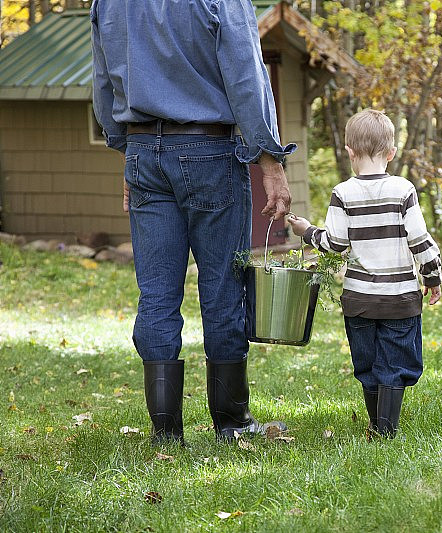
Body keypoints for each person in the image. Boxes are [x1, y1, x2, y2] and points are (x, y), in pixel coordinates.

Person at [91, 0, 296, 444]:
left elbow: (104, 78)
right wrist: (269, 158)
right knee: (222, 287)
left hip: (144, 153)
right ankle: (231, 423)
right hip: (208, 151)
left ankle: (165, 433)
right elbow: (244, 73)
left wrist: (127, 149)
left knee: (157, 294)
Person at [288, 109, 442, 438]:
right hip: (400, 298)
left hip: (359, 301)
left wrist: (306, 231)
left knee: (368, 363)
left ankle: (377, 424)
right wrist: (432, 277)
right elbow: (419, 240)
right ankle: (385, 428)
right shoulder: (403, 190)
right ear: (391, 153)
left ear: (349, 151)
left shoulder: (343, 194)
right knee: (396, 362)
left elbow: (335, 245)